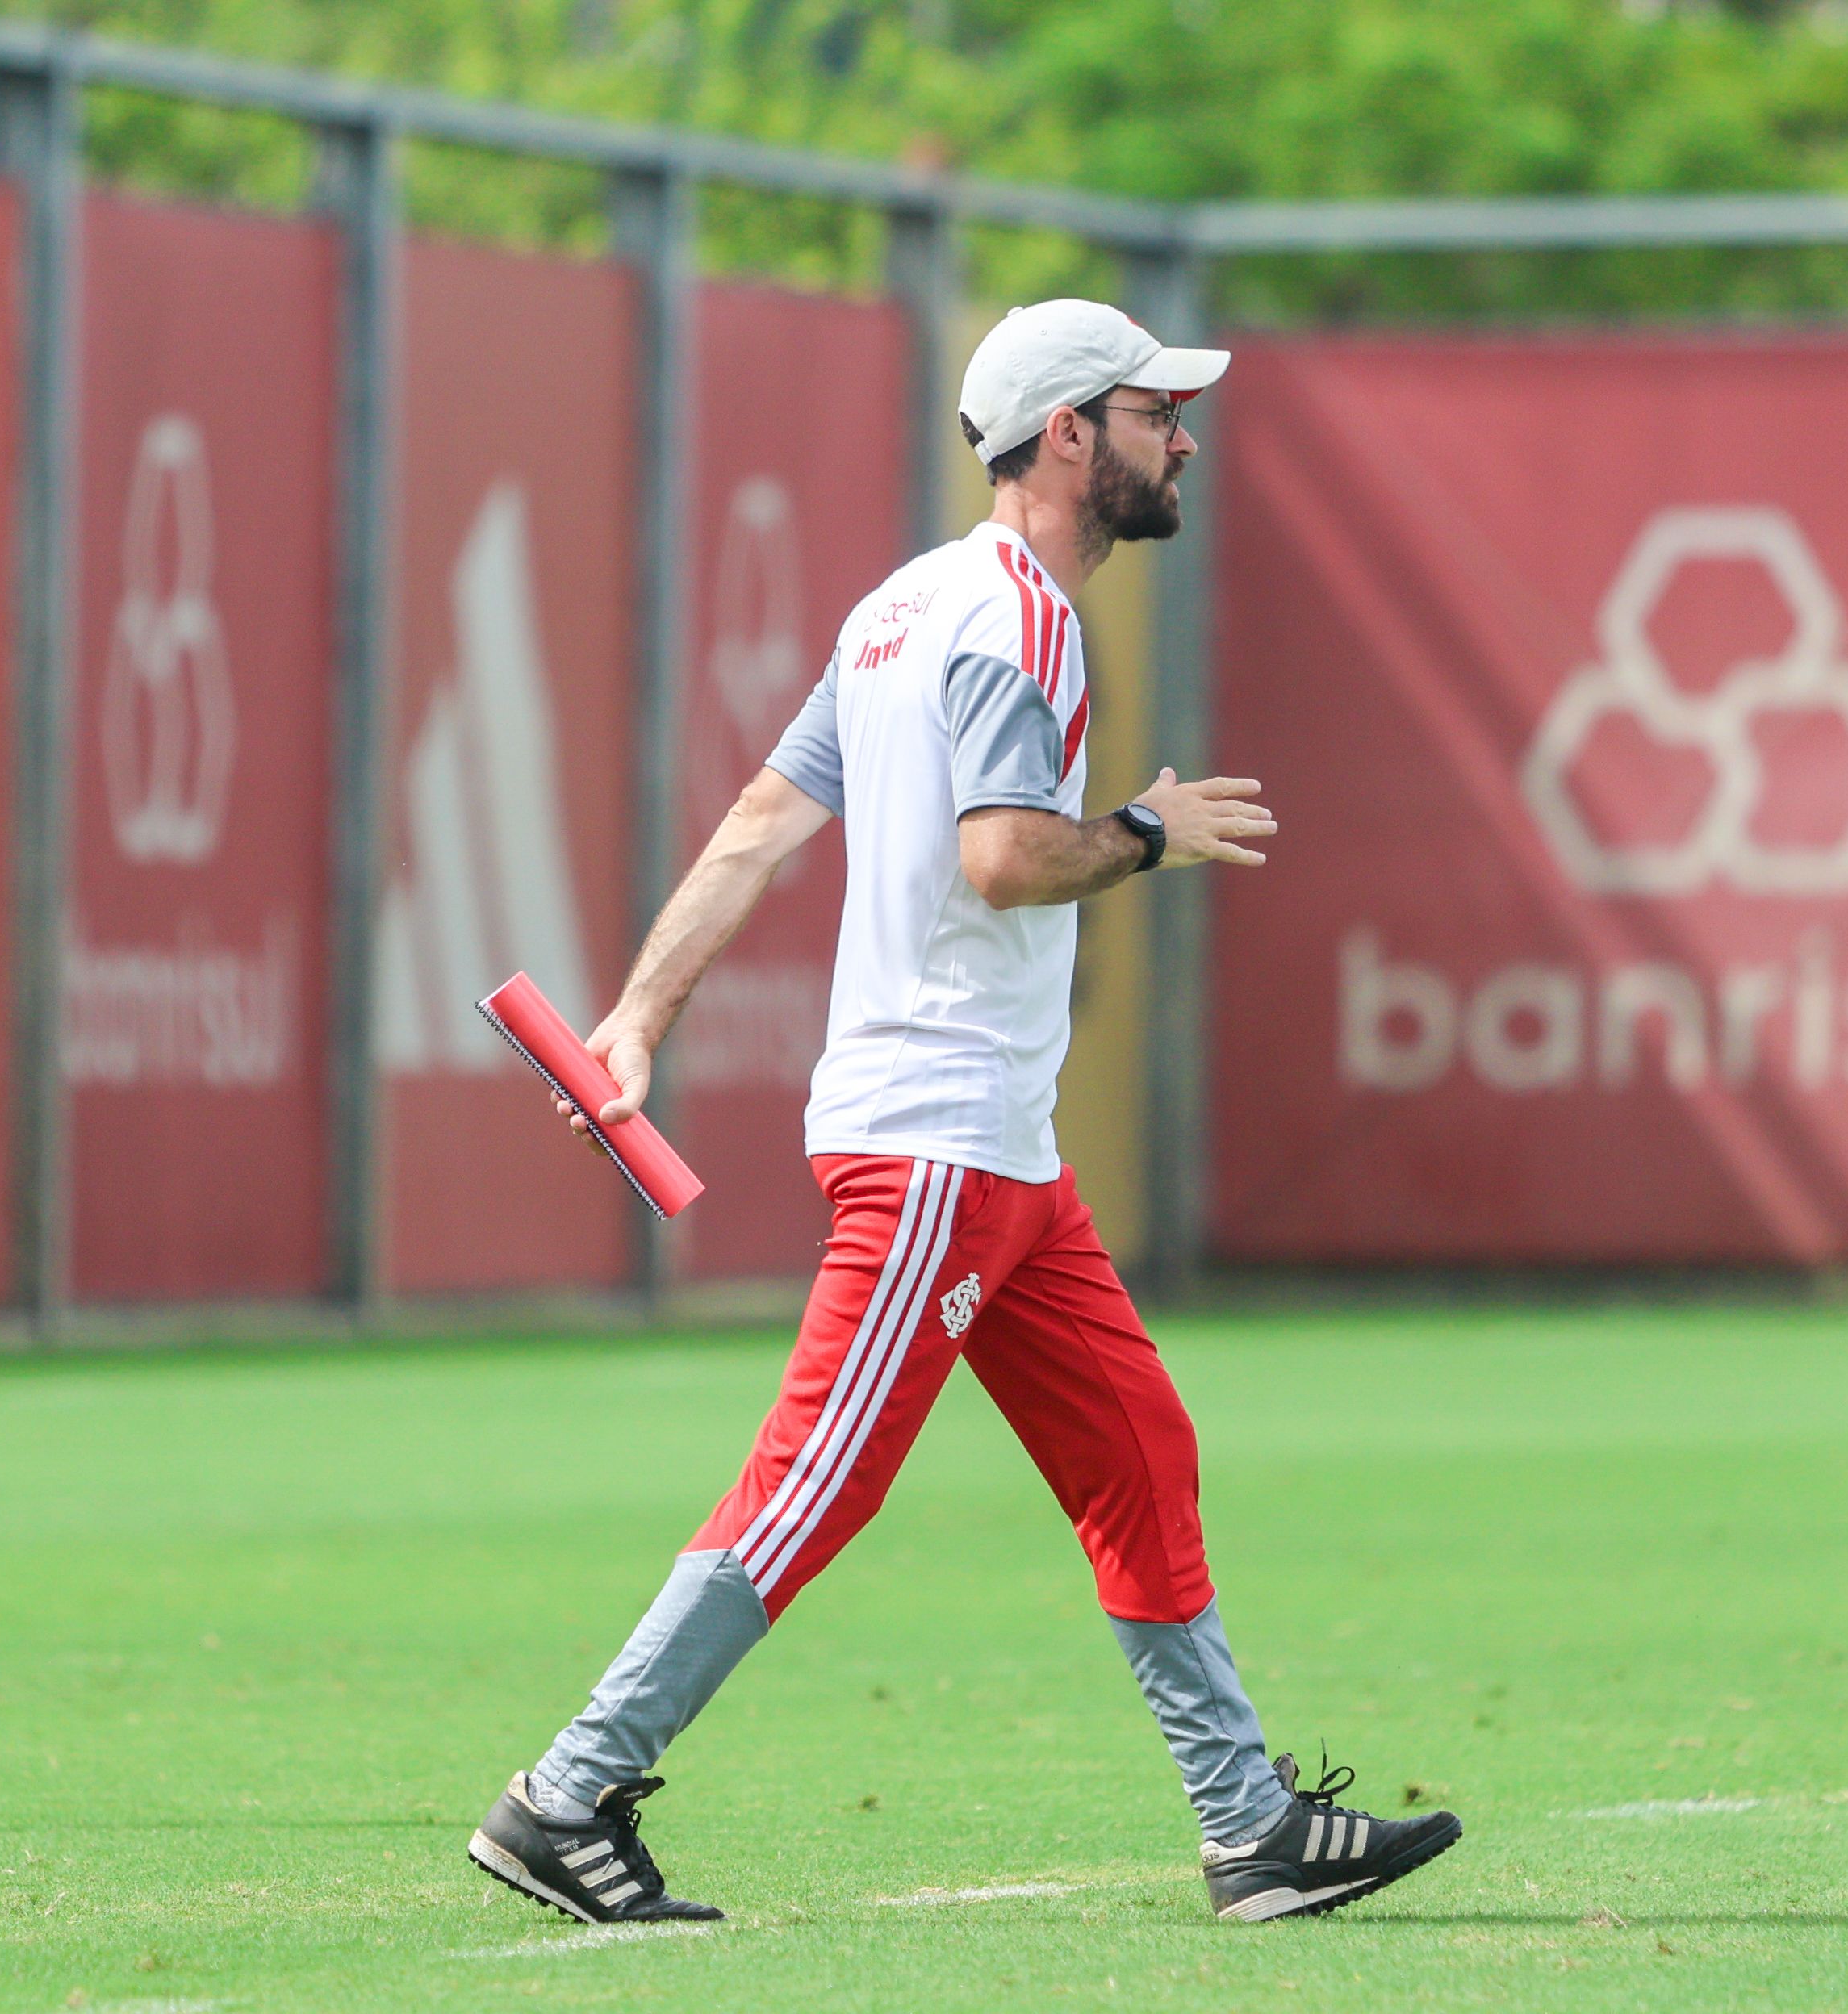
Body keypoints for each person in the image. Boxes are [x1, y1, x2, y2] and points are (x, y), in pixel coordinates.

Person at [466, 299, 1461, 1927]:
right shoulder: (1021, 618)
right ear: (1069, 435)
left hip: (1000, 1154)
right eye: (1154, 413)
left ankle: (1250, 1827)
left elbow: (757, 822)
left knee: (1139, 1449)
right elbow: (1004, 859)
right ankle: (564, 1795)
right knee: (815, 1485)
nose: (1183, 440)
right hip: (936, 1144)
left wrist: (638, 1017)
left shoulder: (901, 607)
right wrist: (1146, 831)